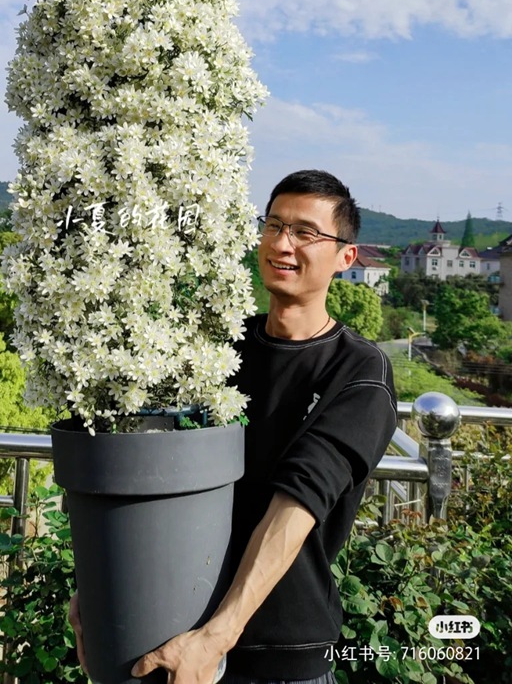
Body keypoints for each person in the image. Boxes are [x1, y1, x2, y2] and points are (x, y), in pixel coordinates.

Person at [70, 169, 398, 684]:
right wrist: (96, 589)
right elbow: (153, 467)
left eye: (305, 232)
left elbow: (298, 504)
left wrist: (217, 637)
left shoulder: (359, 372)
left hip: (282, 658)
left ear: (345, 257)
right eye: (273, 225)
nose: (282, 243)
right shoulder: (218, 350)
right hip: (172, 632)